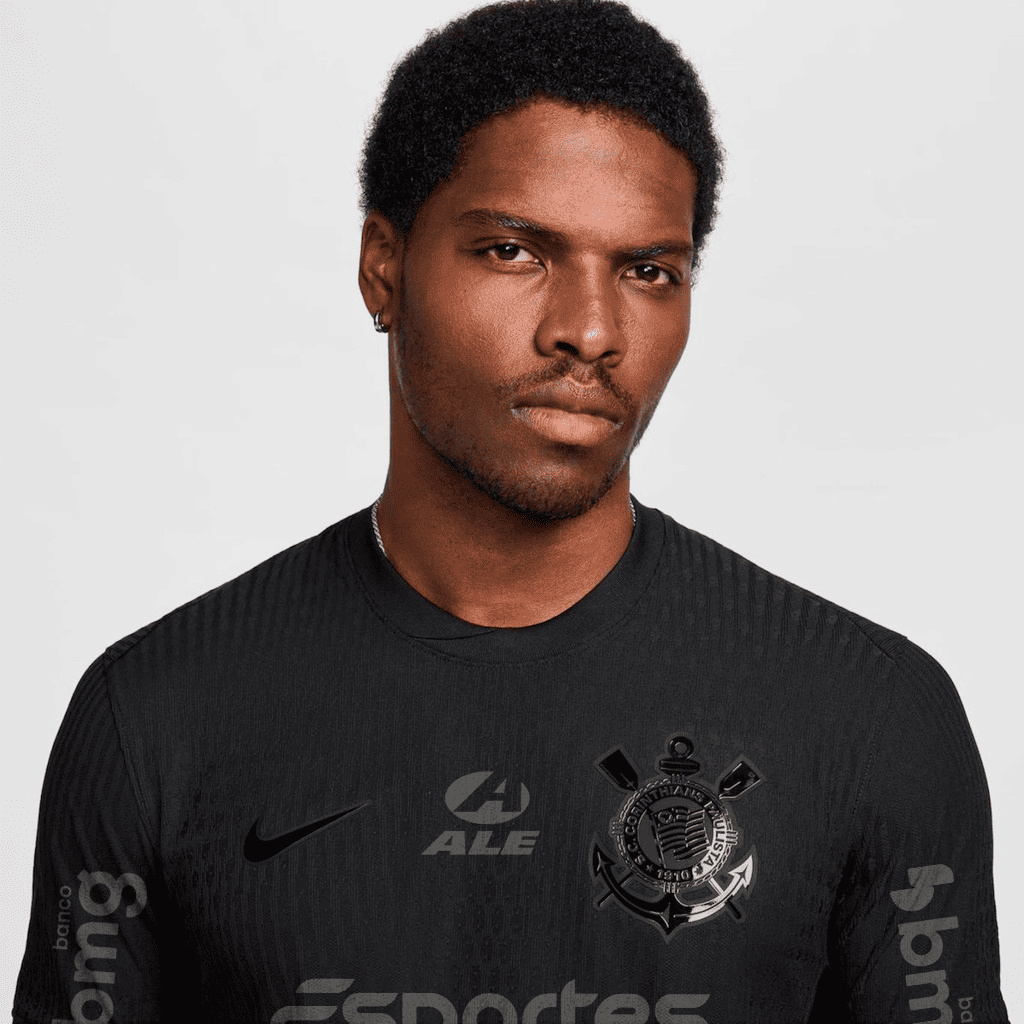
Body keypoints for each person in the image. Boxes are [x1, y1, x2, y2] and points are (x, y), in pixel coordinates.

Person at [12, 1, 1009, 1022]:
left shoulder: (872, 718)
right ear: (384, 267)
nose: (590, 330)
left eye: (647, 271)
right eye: (513, 251)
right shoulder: (155, 719)